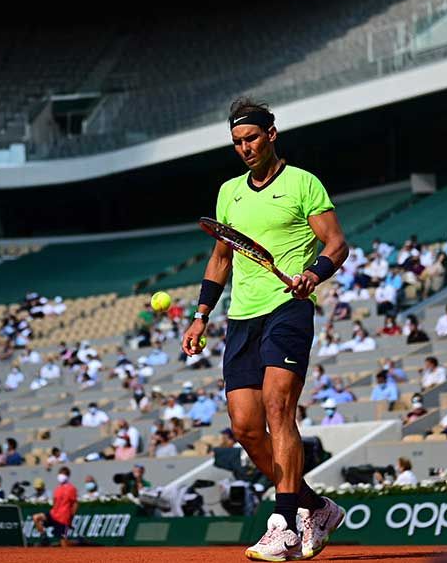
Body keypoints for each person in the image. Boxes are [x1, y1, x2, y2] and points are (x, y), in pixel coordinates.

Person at [181, 98, 349, 559]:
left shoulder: (302, 183)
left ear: (271, 134)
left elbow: (337, 243)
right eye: (237, 142)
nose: (245, 148)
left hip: (288, 308)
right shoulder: (229, 191)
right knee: (246, 428)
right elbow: (220, 258)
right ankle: (313, 507)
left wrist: (314, 273)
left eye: (251, 138)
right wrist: (200, 315)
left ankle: (284, 526)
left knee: (279, 408)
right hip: (241, 319)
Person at [33, 467, 77, 547]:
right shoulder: (57, 488)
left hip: (63, 518)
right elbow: (55, 503)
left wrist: (70, 519)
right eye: (60, 473)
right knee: (36, 517)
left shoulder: (71, 488)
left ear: (67, 476)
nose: (61, 476)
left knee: (64, 544)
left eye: (63, 474)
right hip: (53, 514)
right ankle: (44, 538)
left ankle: (79, 544)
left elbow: (74, 504)